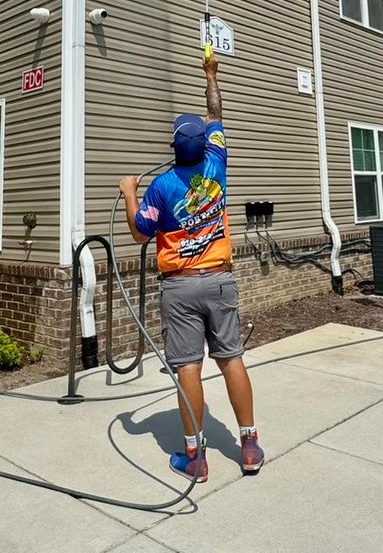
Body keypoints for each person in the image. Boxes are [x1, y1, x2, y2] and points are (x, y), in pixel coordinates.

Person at [119, 51, 263, 482]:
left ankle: (194, 458)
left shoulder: (161, 187)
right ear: (204, 144)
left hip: (180, 289)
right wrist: (211, 73)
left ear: (172, 150)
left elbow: (140, 234)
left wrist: (130, 191)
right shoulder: (218, 163)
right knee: (232, 358)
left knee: (188, 366)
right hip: (220, 281)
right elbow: (215, 110)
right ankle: (250, 445)